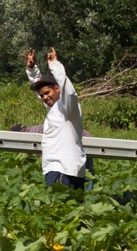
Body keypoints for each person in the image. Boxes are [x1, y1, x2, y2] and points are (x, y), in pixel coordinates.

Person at [23, 46, 88, 189]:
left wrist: (55, 66)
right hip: (61, 168)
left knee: (58, 208)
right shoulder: (56, 109)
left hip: (63, 169)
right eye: (42, 96)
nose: (44, 98)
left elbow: (69, 92)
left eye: (47, 93)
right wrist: (32, 69)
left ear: (57, 88)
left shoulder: (68, 108)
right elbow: (42, 84)